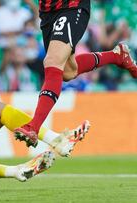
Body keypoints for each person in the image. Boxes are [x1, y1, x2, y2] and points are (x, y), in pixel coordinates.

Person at [14, 0, 137, 147]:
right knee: (67, 71)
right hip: (47, 11)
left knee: (53, 62)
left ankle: (33, 126)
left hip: (71, 6)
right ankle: (117, 56)